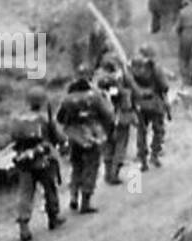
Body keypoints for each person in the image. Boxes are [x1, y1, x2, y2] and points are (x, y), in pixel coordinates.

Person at [56, 63, 114, 214]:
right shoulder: (95, 96)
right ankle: (85, 201)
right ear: (89, 78)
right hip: (92, 135)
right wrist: (107, 131)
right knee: (91, 166)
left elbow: (60, 118)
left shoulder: (67, 98)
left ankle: (73, 196)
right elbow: (107, 115)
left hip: (73, 136)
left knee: (76, 166)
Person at [10, 86, 65, 241]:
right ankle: (53, 217)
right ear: (42, 102)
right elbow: (59, 137)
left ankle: (24, 225)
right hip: (43, 159)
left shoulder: (18, 119)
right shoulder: (45, 118)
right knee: (50, 187)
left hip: (24, 161)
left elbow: (13, 138)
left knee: (25, 192)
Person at [95, 57, 138, 185]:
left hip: (104, 119)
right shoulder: (117, 80)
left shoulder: (97, 81)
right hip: (120, 116)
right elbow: (123, 95)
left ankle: (108, 174)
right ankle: (114, 174)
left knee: (109, 145)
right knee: (120, 145)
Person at [130, 44, 170, 171]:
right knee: (158, 130)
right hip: (155, 103)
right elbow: (164, 86)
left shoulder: (133, 67)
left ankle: (142, 159)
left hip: (139, 104)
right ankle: (154, 155)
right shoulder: (155, 67)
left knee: (141, 131)